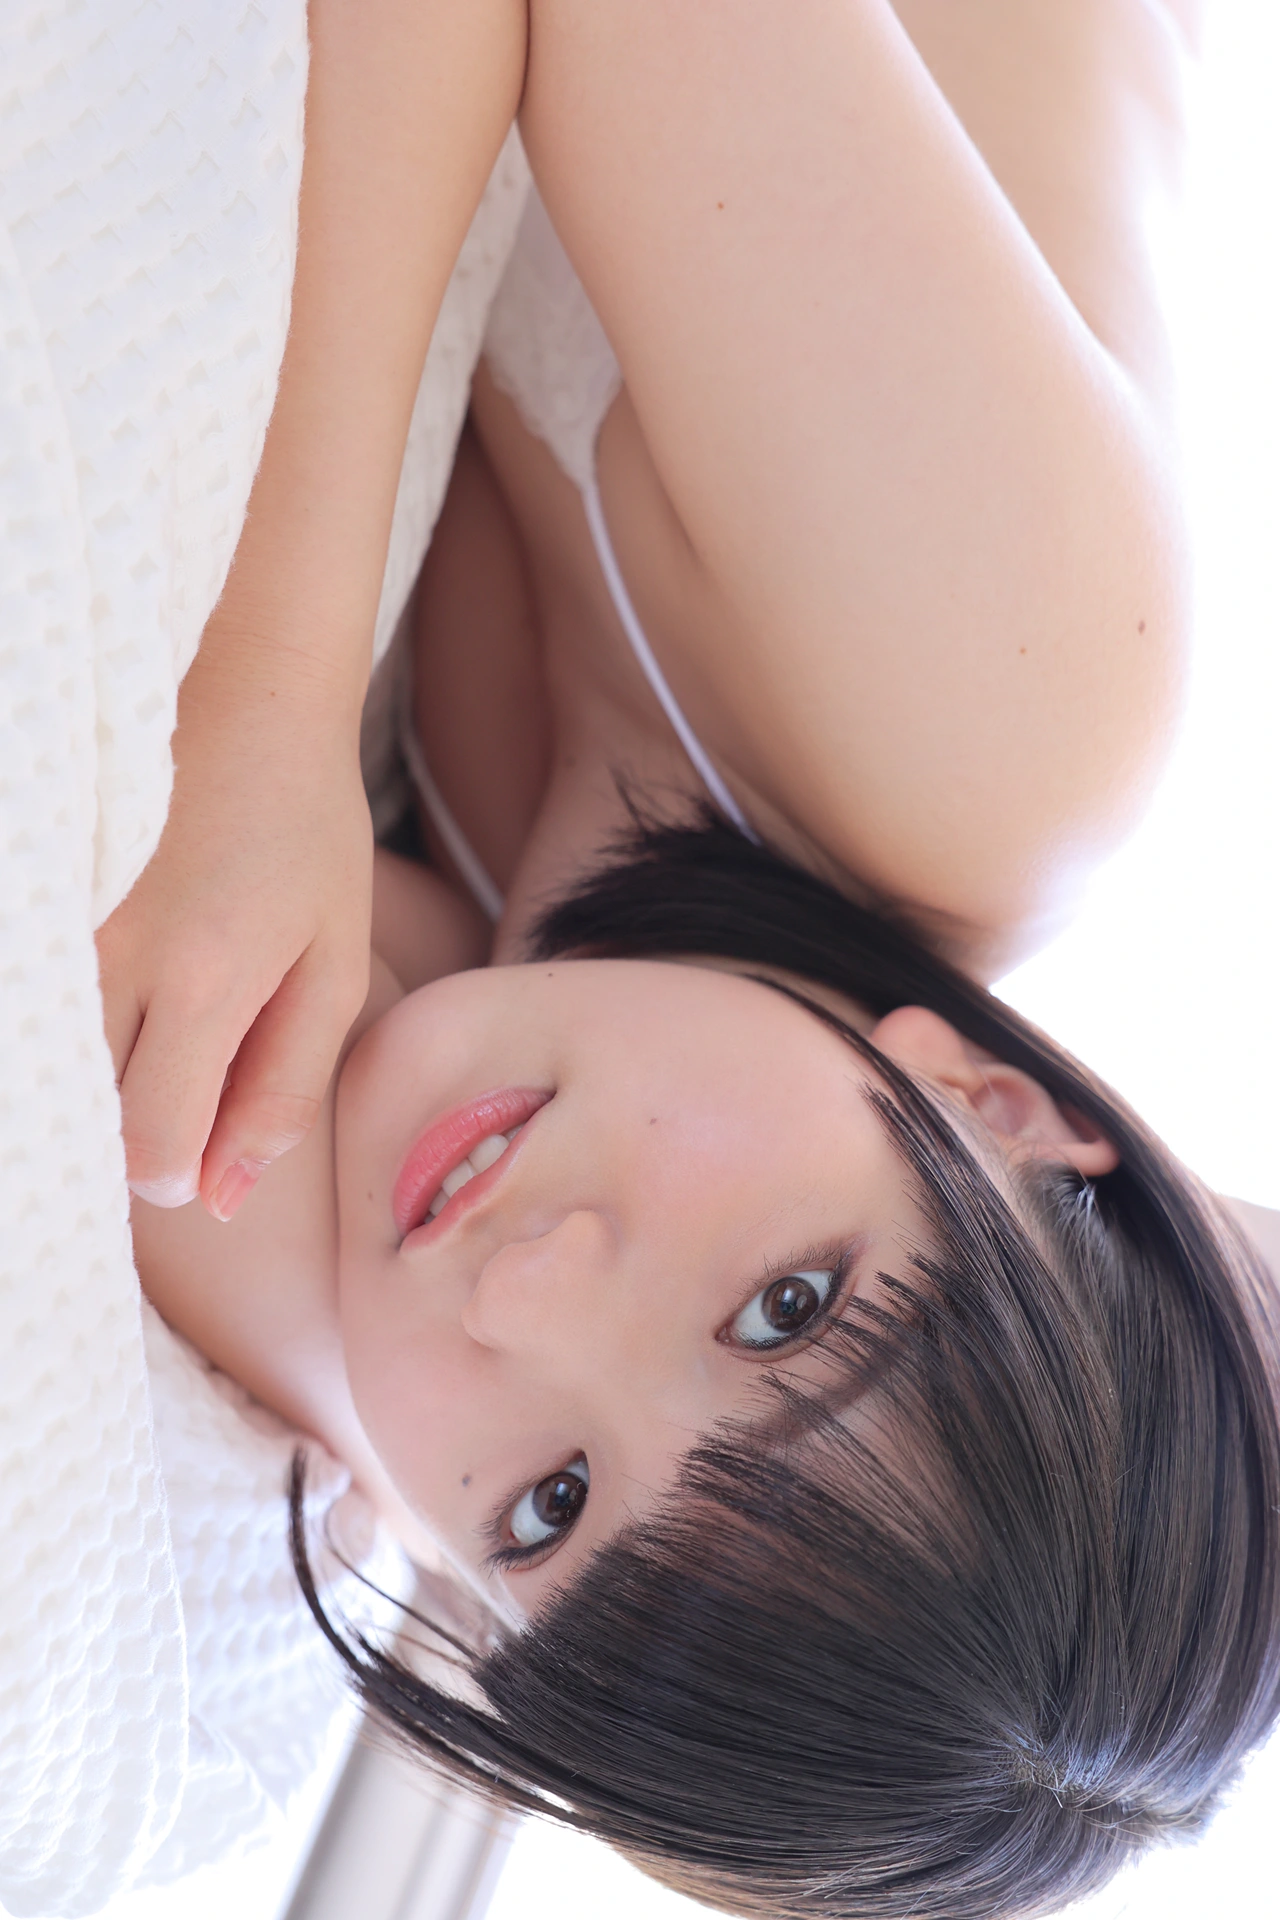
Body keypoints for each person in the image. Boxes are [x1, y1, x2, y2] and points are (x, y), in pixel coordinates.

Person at [118, 2, 1280, 1916]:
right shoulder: (1016, 708)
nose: (523, 1294)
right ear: (997, 1107)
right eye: (785, 1311)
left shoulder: (545, 1084)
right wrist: (276, 689)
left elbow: (111, 1043)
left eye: (554, 1505)